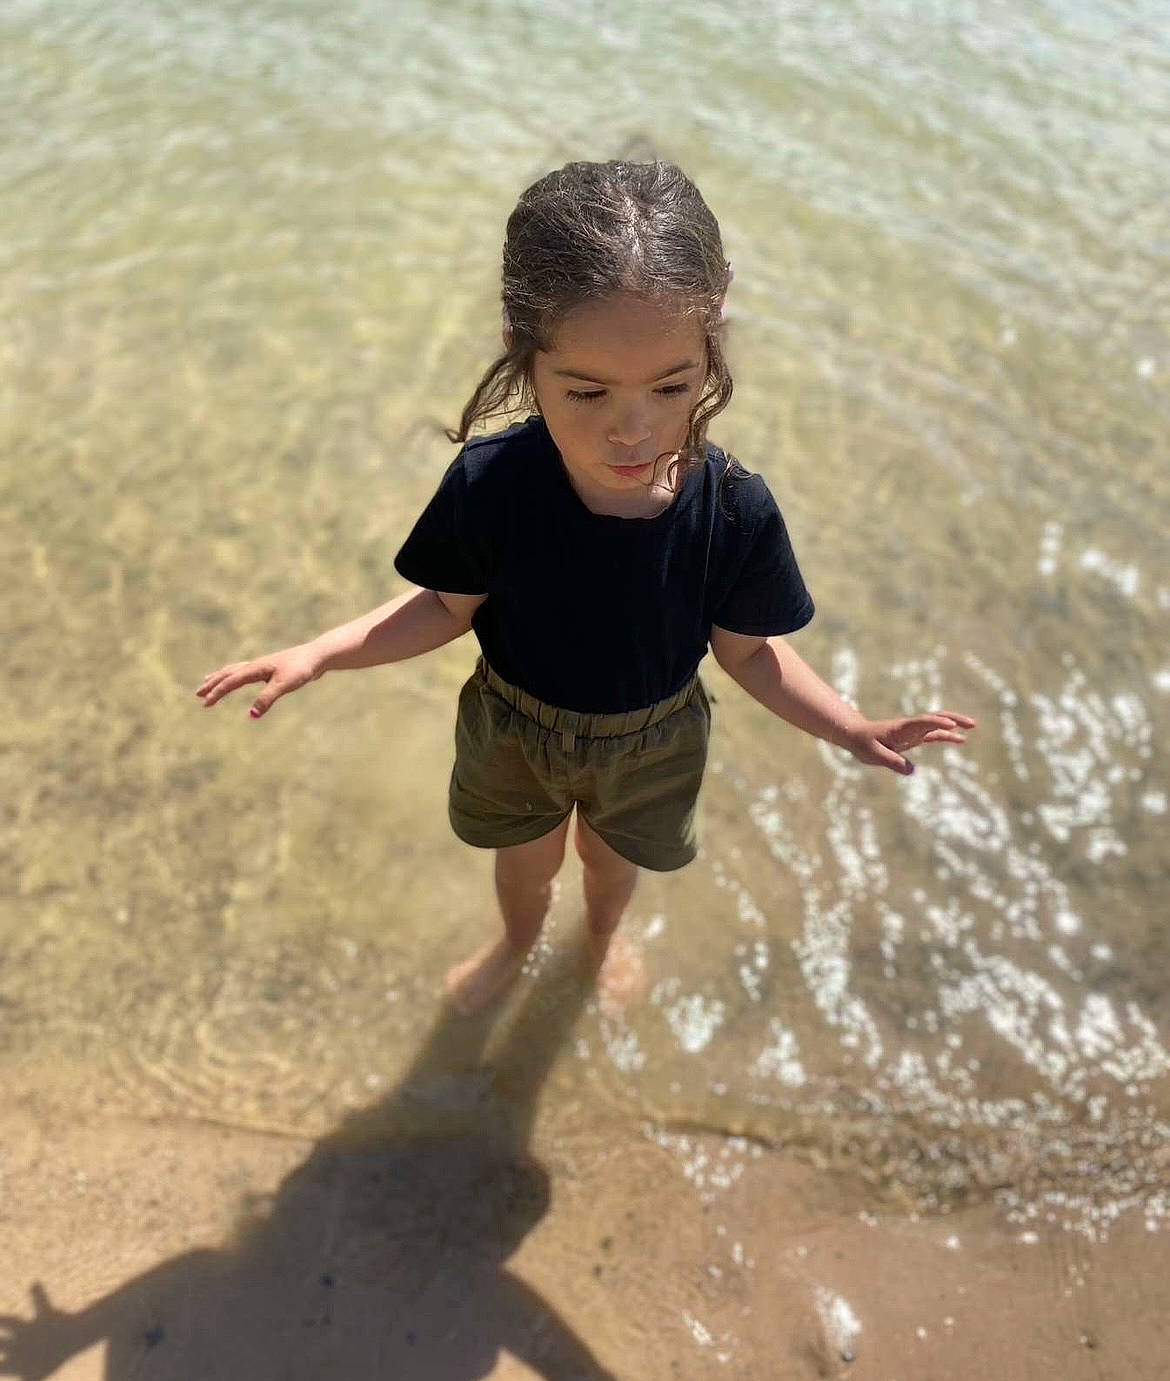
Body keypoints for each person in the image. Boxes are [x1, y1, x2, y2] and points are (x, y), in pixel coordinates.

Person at [196, 159, 975, 1015]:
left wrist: (849, 724)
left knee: (611, 869)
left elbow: (751, 656)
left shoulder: (735, 511)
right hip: (512, 729)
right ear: (521, 348)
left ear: (713, 331)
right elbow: (444, 606)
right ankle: (517, 944)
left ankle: (603, 942)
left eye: (672, 386)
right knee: (523, 867)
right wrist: (322, 651)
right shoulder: (494, 482)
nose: (632, 426)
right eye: (587, 391)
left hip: (652, 743)